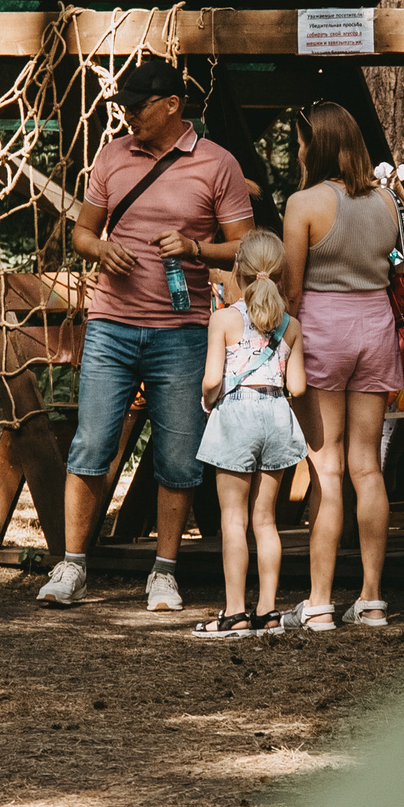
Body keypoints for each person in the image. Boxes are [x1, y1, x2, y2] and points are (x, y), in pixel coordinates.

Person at [39, 56, 255, 613]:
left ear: (171, 106)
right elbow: (83, 232)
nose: (128, 116)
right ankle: (72, 566)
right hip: (110, 325)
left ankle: (164, 572)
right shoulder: (112, 155)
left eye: (137, 108)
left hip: (182, 334)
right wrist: (99, 247)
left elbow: (246, 246)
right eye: (125, 107)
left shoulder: (218, 164)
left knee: (179, 457)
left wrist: (196, 249)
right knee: (91, 444)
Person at [279, 101, 404, 630]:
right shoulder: (391, 202)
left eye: (301, 141)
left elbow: (293, 291)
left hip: (324, 332)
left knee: (327, 467)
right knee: (367, 466)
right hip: (377, 332)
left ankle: (319, 601)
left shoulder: (303, 203)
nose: (298, 150)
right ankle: (371, 598)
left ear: (316, 142)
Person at [191, 228, 306, 638]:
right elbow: (298, 388)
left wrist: (210, 397)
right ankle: (269, 612)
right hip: (276, 416)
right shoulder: (290, 326)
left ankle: (235, 612)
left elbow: (209, 380)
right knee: (265, 520)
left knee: (233, 519)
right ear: (279, 274)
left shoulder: (223, 319)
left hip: (236, 418)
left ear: (237, 271)